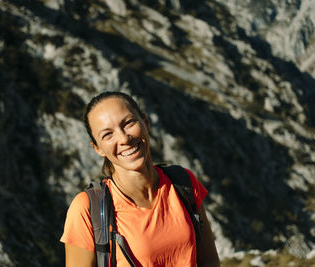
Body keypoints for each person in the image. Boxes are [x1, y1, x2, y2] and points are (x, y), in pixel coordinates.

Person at [60, 91, 220, 267]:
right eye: (107, 134)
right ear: (98, 149)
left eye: (128, 123)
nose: (124, 138)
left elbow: (209, 261)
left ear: (146, 122)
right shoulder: (87, 208)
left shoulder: (183, 182)